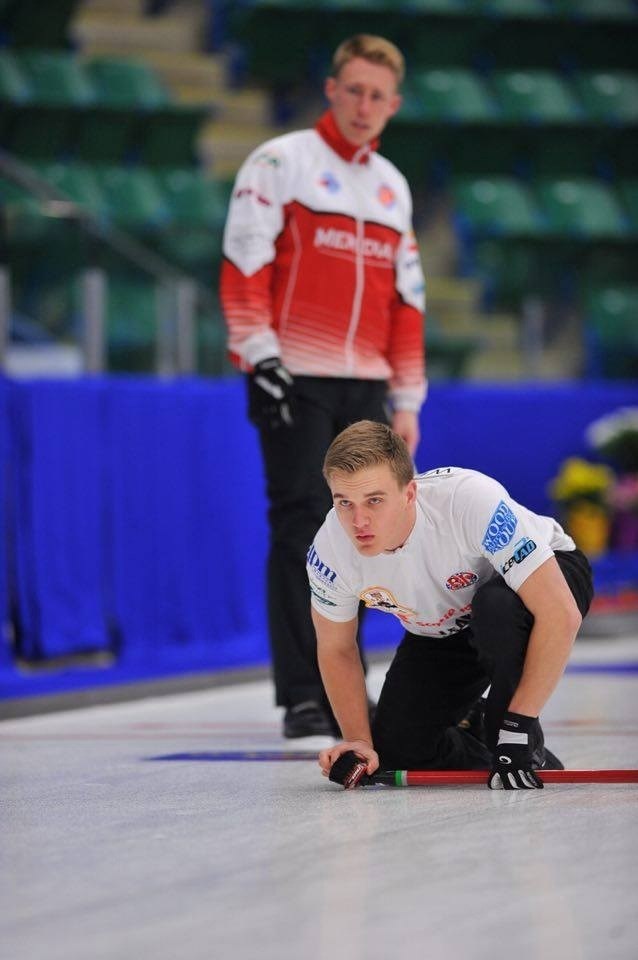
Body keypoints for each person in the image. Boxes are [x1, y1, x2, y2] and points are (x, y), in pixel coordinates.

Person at [220, 35, 426, 738]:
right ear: (332, 90)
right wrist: (258, 353)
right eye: (355, 90)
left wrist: (408, 398)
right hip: (292, 374)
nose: (366, 106)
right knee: (301, 519)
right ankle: (304, 695)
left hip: (365, 381)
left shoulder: (394, 187)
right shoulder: (281, 162)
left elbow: (409, 304)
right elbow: (243, 262)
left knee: (361, 532)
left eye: (379, 96)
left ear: (393, 105)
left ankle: (345, 692)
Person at [309, 420, 594, 789]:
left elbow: (560, 613)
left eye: (374, 500)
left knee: (495, 607)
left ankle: (508, 730)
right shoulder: (330, 550)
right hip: (444, 624)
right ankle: (480, 735)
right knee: (397, 749)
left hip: (545, 582)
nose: (358, 521)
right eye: (344, 502)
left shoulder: (467, 500)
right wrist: (359, 742)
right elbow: (336, 648)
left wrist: (517, 726)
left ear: (410, 494)